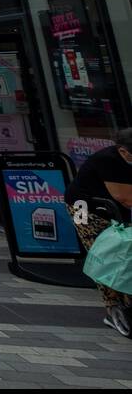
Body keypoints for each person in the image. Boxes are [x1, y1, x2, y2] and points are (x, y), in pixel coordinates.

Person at [65, 129, 132, 337]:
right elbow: (124, 198)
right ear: (124, 152)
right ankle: (113, 307)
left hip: (114, 209)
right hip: (80, 207)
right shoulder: (108, 160)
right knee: (102, 254)